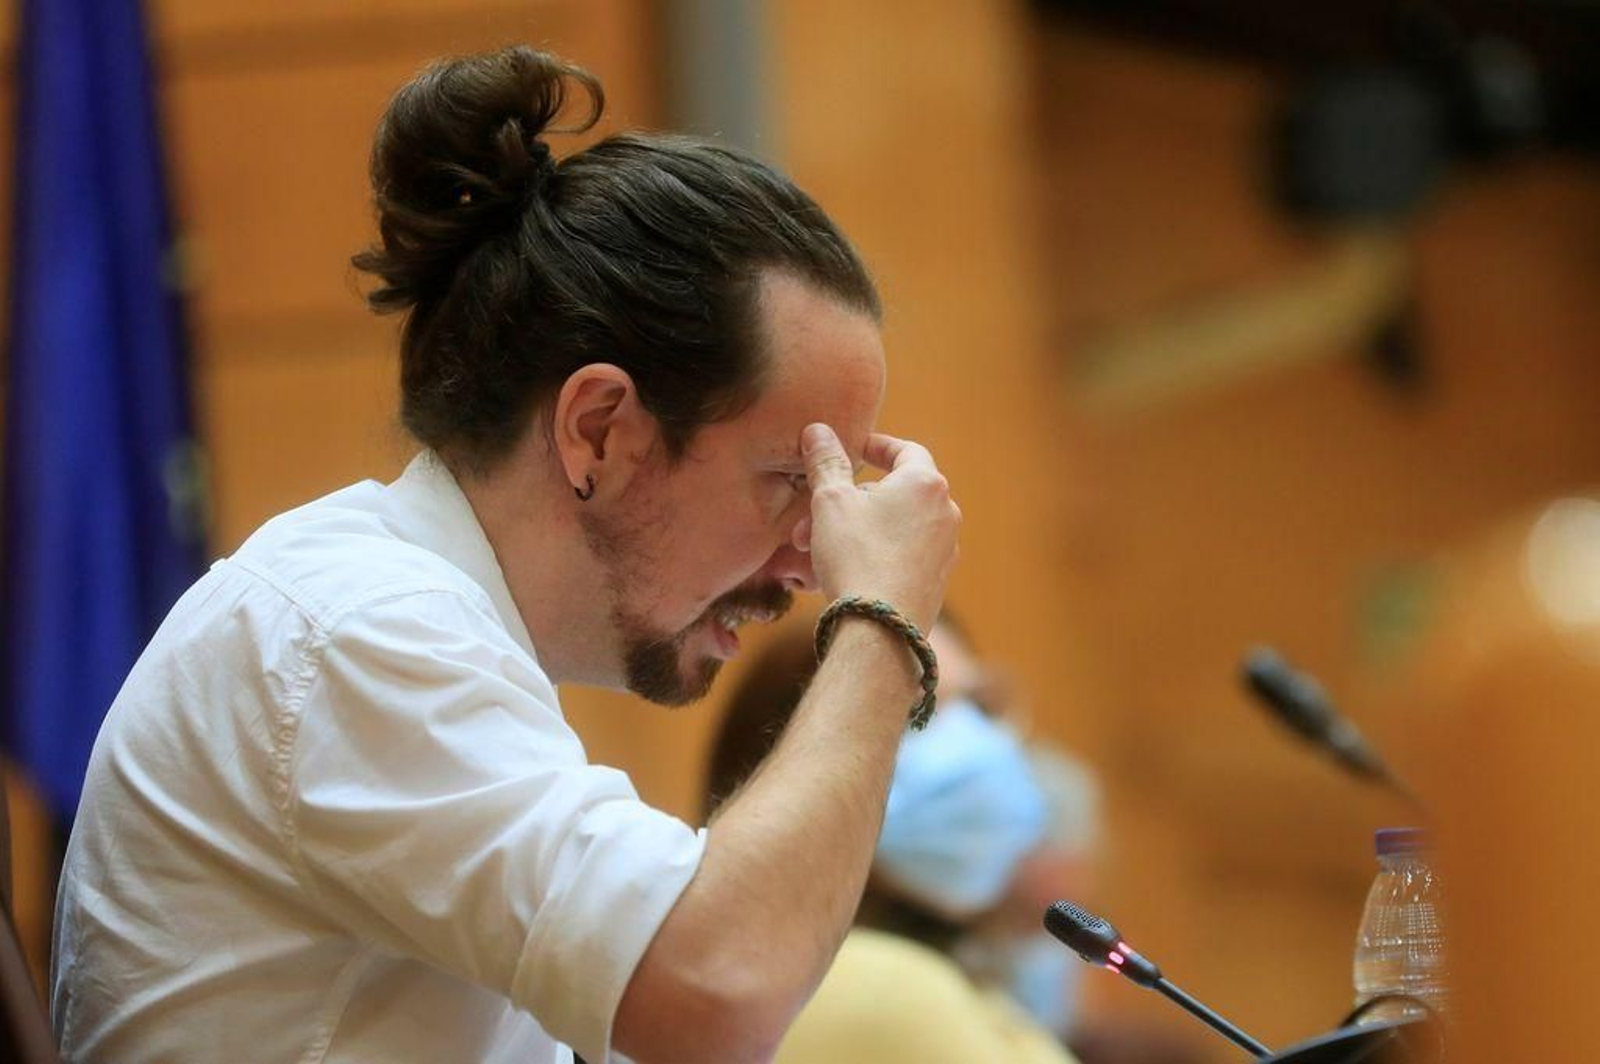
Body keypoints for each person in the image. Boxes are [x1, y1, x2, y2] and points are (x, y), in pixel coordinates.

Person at [49, 46, 959, 1064]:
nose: (810, 561)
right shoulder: (358, 627)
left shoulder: (419, 624)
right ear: (601, 429)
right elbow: (715, 991)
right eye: (791, 481)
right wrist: (883, 621)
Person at [703, 620, 1081, 1064]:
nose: (971, 747)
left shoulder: (957, 985)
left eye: (978, 708)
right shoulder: (886, 992)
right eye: (917, 716)